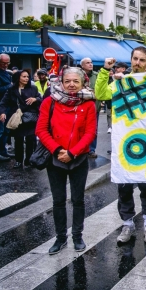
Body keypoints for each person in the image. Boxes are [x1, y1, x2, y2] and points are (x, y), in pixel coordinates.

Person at [95, 47, 146, 244]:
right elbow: (100, 93)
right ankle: (127, 225)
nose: (137, 63)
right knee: (124, 187)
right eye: (135, 59)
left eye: (142, 60)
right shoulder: (120, 82)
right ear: (130, 60)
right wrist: (105, 71)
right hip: (124, 144)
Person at [36, 67, 97, 255]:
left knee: (78, 200)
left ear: (83, 83)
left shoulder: (89, 104)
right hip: (55, 159)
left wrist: (73, 152)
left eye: (75, 81)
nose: (71, 84)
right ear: (61, 82)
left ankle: (77, 236)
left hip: (78, 159)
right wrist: (57, 150)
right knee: (58, 200)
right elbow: (41, 130)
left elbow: (90, 133)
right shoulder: (49, 102)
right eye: (67, 81)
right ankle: (60, 238)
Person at [0, 70, 41, 168]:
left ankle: (29, 160)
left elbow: (41, 98)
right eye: (24, 76)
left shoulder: (33, 88)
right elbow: (3, 103)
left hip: (30, 117)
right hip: (17, 118)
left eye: (27, 76)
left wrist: (35, 99)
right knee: (18, 140)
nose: (26, 78)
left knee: (31, 139)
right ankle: (18, 160)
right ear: (18, 78)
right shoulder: (11, 89)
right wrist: (2, 113)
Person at [80, 58, 100, 158]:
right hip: (80, 107)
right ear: (82, 65)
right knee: (80, 128)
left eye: (91, 62)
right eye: (87, 63)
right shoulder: (78, 75)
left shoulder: (97, 75)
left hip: (94, 108)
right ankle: (81, 148)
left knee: (93, 130)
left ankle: (91, 150)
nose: (90, 64)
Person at [0, 54, 12, 161]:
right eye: (3, 63)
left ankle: (3, 151)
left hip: (7, 105)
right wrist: (10, 85)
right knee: (1, 130)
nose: (6, 65)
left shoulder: (6, 73)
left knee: (5, 130)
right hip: (0, 106)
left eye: (7, 63)